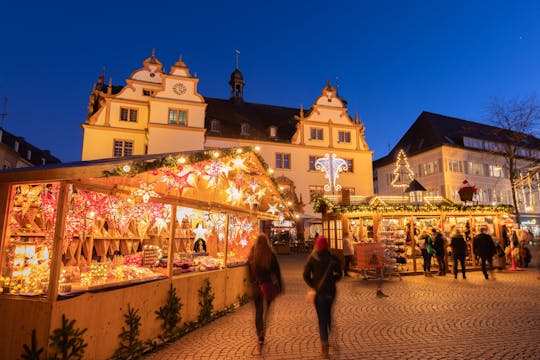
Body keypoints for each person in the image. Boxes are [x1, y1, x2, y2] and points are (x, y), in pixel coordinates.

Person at [303, 236, 342, 358]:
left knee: (321, 318)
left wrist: (313, 284)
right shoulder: (332, 258)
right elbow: (340, 274)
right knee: (328, 314)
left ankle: (324, 347)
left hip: (319, 293)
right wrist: (332, 281)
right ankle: (331, 336)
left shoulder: (312, 258)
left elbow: (305, 275)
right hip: (330, 291)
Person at [247, 233, 283, 347]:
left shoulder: (252, 255)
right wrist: (280, 286)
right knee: (267, 310)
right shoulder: (270, 254)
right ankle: (263, 328)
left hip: (256, 286)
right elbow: (276, 272)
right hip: (268, 286)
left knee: (258, 311)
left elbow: (249, 272)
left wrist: (252, 282)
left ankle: (260, 333)